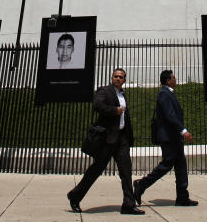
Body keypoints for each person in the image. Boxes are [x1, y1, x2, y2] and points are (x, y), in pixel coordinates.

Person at [68, 68, 143, 215]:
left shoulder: (123, 95)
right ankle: (75, 195)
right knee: (96, 170)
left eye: (121, 77)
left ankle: (128, 204)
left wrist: (128, 135)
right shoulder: (104, 91)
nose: (118, 79)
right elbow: (97, 106)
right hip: (107, 139)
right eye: (116, 76)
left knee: (126, 172)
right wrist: (114, 111)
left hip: (121, 139)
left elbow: (124, 116)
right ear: (111, 78)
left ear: (124, 80)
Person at [132, 69, 197, 207]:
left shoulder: (167, 93)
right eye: (174, 78)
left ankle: (182, 196)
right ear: (168, 80)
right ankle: (141, 184)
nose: (176, 80)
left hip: (173, 137)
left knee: (180, 166)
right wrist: (183, 131)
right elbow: (170, 115)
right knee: (167, 164)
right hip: (169, 137)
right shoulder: (164, 94)